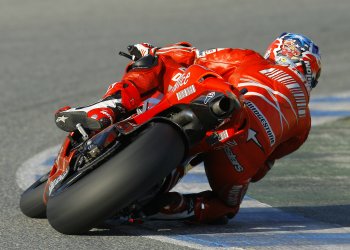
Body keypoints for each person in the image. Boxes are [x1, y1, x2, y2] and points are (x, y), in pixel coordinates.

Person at [55, 33, 321, 224]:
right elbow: (263, 168)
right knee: (226, 206)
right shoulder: (304, 123)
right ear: (311, 73)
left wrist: (151, 52)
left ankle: (108, 108)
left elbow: (192, 56)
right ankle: (166, 207)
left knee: (158, 61)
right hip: (238, 148)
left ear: (275, 52)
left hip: (218, 97)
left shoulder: (250, 59)